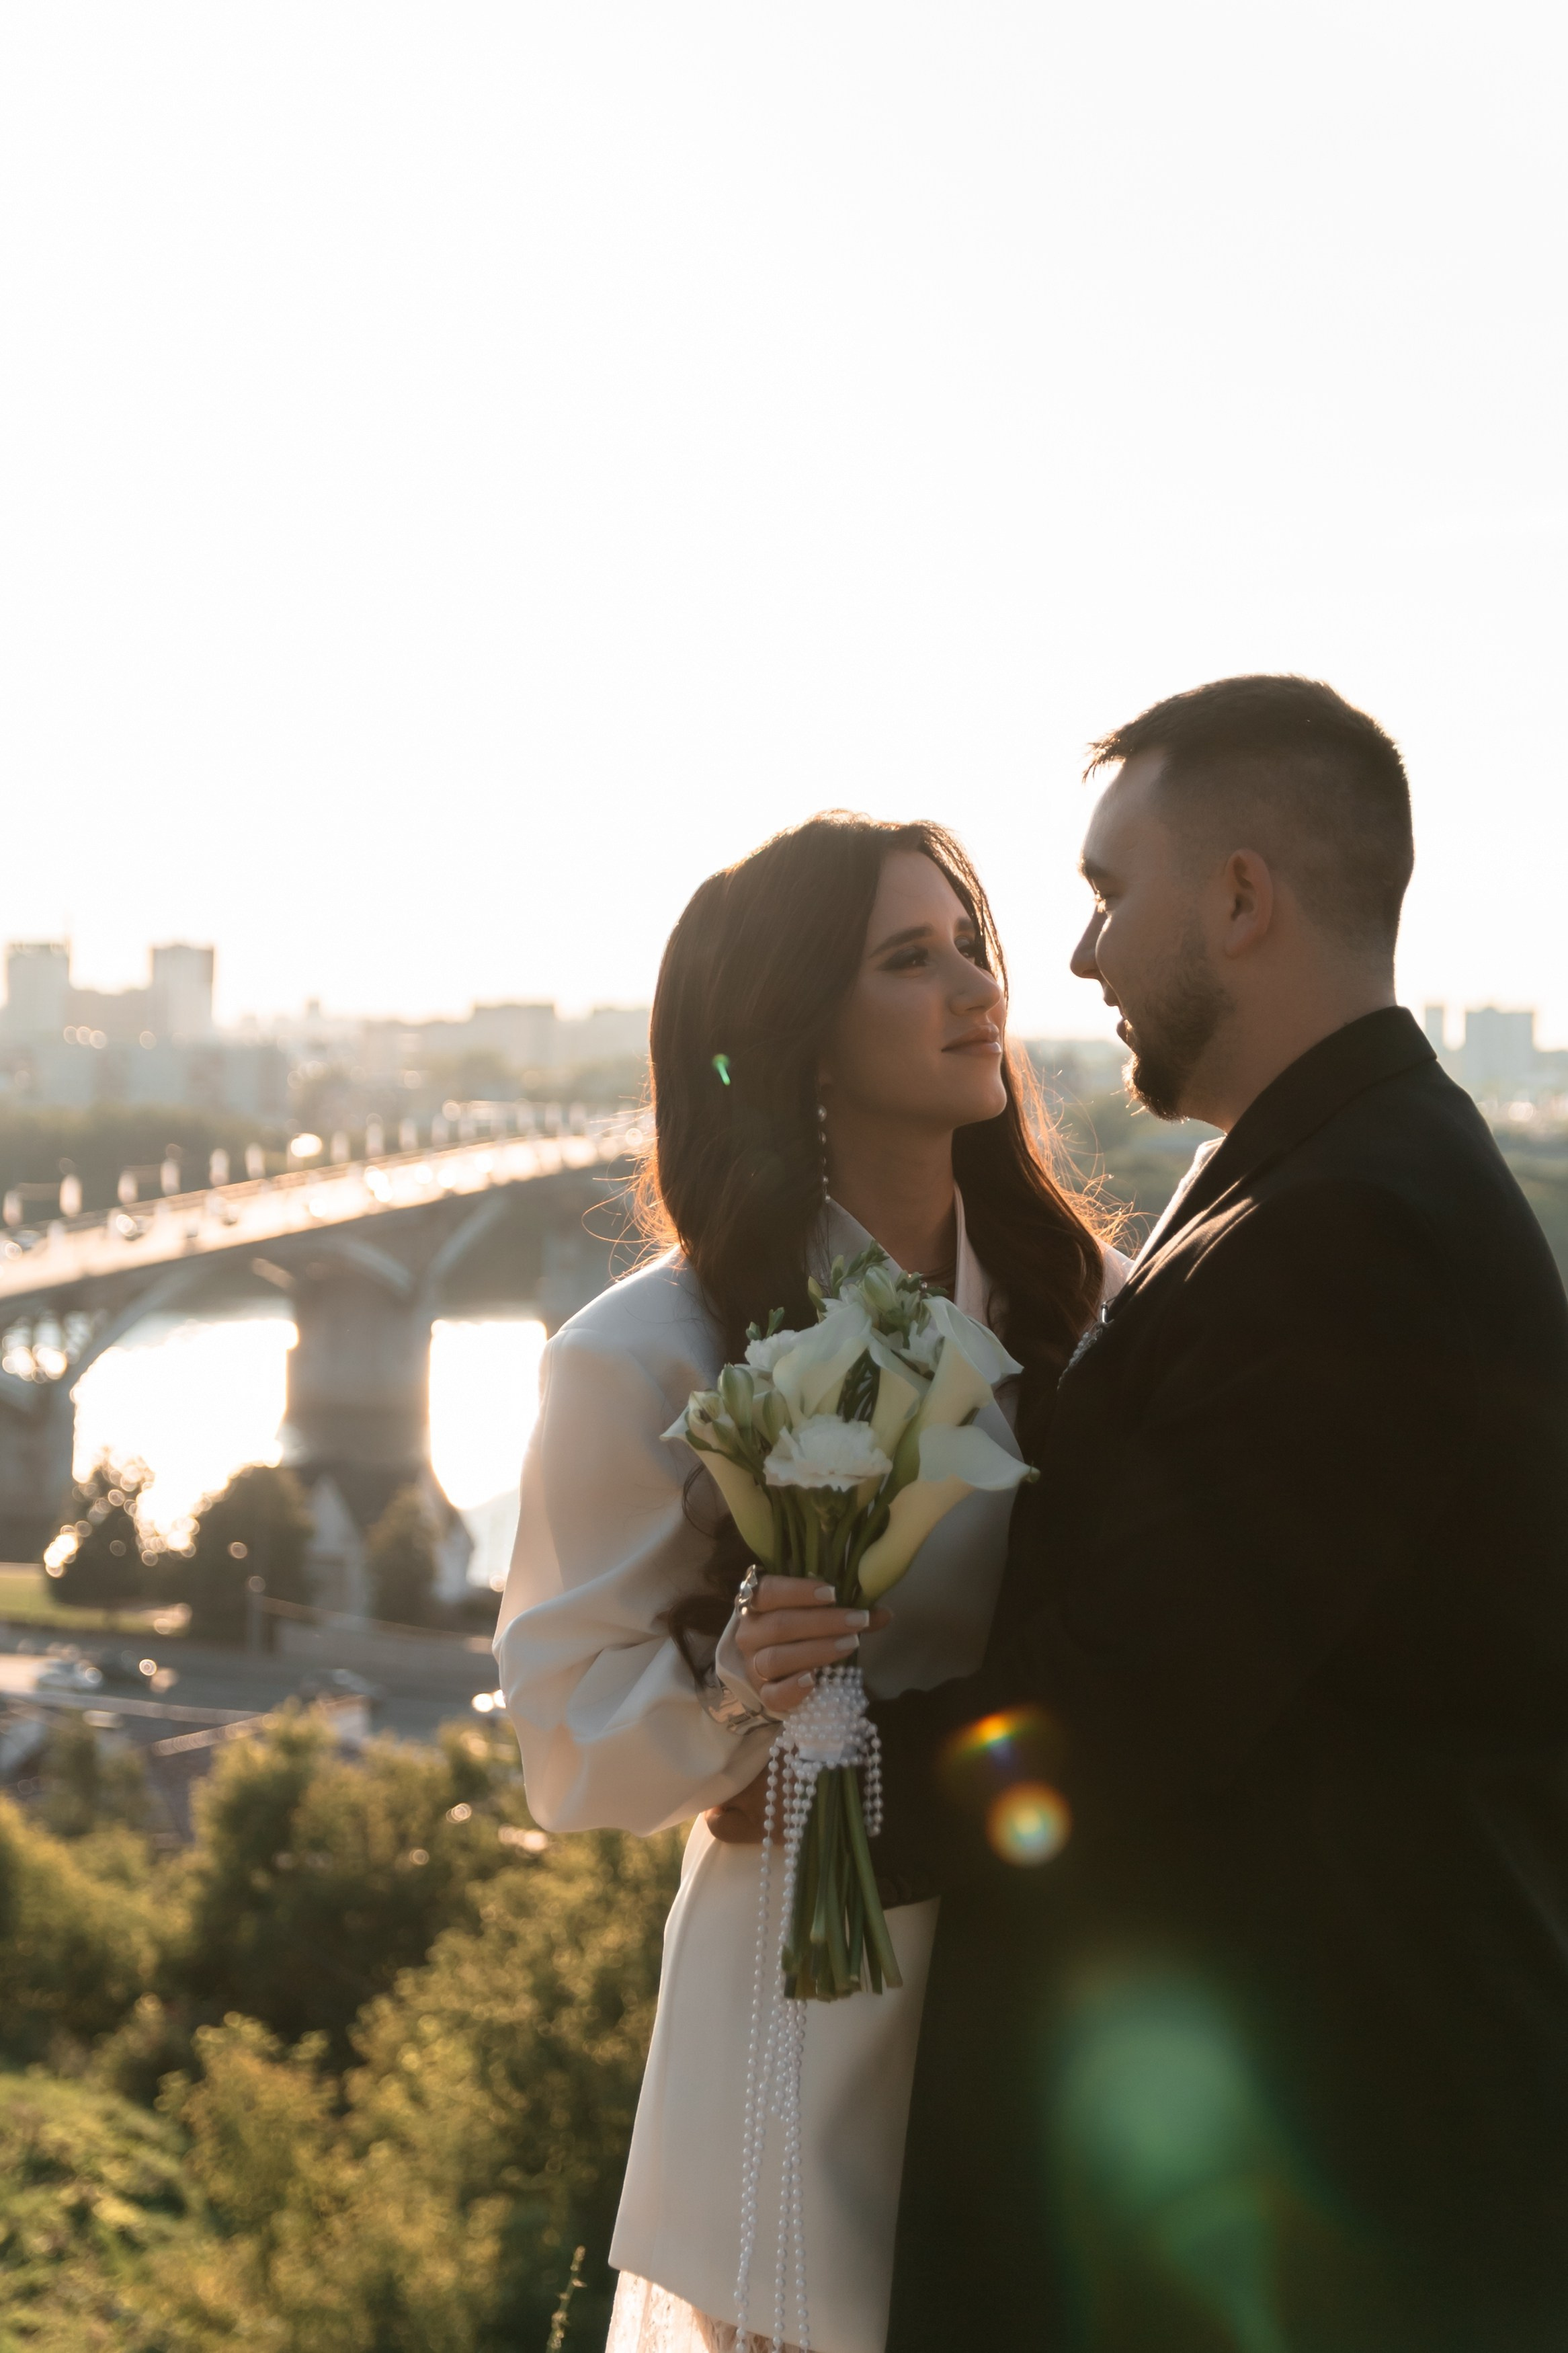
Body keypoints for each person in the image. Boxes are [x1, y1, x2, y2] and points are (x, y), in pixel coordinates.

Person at [737, 675, 1568, 2350]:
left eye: (1112, 894)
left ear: (1243, 900)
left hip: (1314, 2199)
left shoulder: (1356, 1226)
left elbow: (1138, 1704)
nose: (1079, 955)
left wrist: (819, 1784)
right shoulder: (1317, 1170)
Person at [494, 812, 1122, 2353]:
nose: (977, 986)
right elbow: (565, 1749)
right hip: (800, 1996)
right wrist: (740, 1692)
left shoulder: (1084, 1302)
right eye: (911, 958)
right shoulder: (640, 1355)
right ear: (799, 1032)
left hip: (1049, 1972)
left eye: (972, 944)